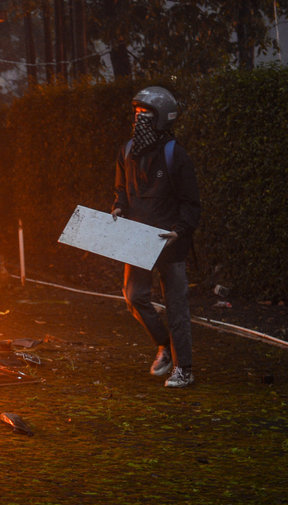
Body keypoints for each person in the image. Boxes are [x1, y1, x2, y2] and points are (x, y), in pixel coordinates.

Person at [112, 86, 201, 388]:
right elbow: (121, 189)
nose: (138, 122)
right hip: (137, 239)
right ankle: (164, 346)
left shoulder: (175, 155)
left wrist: (180, 230)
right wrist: (119, 208)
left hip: (169, 242)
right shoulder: (127, 151)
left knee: (176, 305)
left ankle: (184, 369)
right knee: (134, 296)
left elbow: (191, 202)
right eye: (136, 115)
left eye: (145, 117)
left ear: (162, 120)